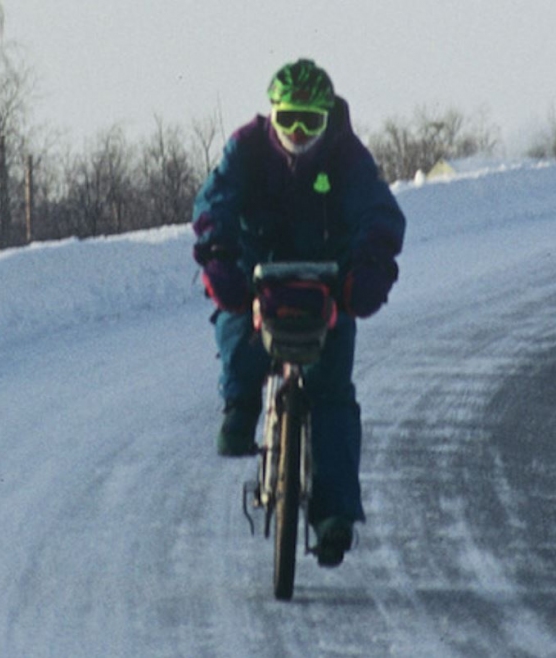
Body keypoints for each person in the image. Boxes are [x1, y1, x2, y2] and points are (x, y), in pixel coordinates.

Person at [191, 58, 405, 567]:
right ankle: (240, 405)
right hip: (258, 269)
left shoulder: (347, 156)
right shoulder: (245, 147)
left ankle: (334, 516)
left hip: (326, 280)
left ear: (328, 117)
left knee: (331, 393)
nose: (301, 133)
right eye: (290, 119)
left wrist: (372, 264)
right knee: (236, 323)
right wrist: (218, 253)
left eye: (312, 120)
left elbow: (379, 210)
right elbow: (212, 201)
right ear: (273, 115)